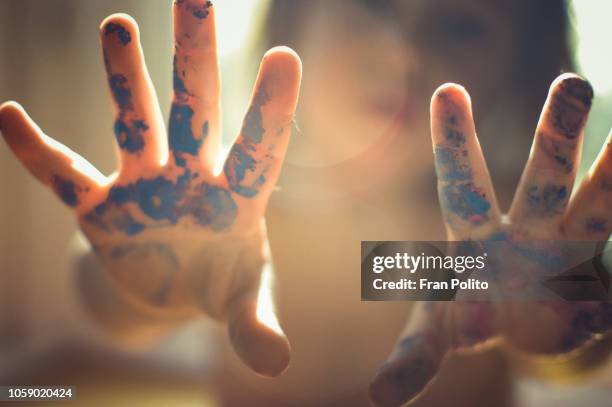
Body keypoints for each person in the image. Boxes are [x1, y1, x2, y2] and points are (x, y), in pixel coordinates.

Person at [0, 0, 610, 406]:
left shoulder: (493, 253)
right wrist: (136, 287)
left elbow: (570, 350)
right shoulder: (234, 219)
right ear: (296, 21)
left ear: (519, 64)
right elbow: (105, 303)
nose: (404, 53)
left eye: (460, 25)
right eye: (372, 5)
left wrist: (571, 308)